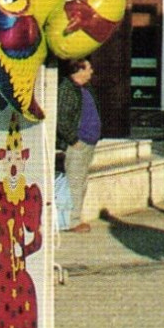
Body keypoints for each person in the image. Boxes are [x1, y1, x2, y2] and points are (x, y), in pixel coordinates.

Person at [55, 58, 101, 233]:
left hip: (88, 142)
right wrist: (73, 140)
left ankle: (75, 218)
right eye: (88, 68)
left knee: (81, 182)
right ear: (79, 70)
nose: (91, 71)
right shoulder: (67, 89)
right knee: (74, 182)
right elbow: (62, 118)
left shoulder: (84, 88)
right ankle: (71, 222)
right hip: (77, 144)